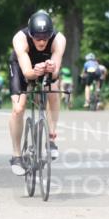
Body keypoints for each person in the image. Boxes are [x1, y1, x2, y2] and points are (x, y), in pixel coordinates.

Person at [8, 10, 66, 175]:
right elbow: (27, 73)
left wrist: (50, 69)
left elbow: (54, 74)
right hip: (22, 67)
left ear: (51, 34)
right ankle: (16, 155)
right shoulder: (20, 38)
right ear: (30, 34)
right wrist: (35, 71)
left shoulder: (58, 39)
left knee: (53, 90)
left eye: (45, 38)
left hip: (46, 66)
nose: (41, 42)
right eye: (37, 38)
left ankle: (51, 139)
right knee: (18, 108)